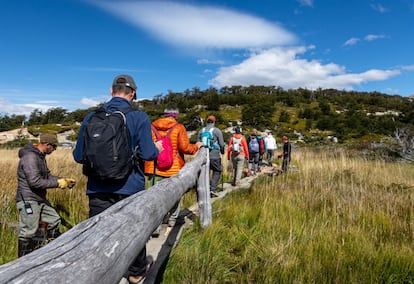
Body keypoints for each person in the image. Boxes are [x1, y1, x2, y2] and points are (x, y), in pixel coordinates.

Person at [73, 74, 163, 284]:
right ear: (132, 94)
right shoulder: (139, 117)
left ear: (111, 91)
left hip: (97, 187)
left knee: (97, 234)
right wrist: (157, 149)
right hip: (129, 186)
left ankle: (97, 275)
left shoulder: (90, 117)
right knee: (133, 230)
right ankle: (136, 272)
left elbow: (78, 156)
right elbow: (148, 154)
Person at [16, 133, 76, 257]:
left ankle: (51, 252)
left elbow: (47, 176)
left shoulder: (40, 156)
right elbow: (35, 182)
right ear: (47, 145)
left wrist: (63, 180)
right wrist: (58, 184)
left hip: (39, 199)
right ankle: (21, 261)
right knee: (29, 230)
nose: (55, 150)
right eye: (54, 147)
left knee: (54, 220)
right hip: (27, 199)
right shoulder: (30, 157)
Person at [144, 107, 202, 230]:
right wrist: (196, 146)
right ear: (176, 116)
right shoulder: (179, 127)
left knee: (154, 197)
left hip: (154, 168)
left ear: (164, 115)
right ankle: (172, 219)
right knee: (175, 194)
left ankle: (156, 225)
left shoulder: (151, 127)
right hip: (173, 168)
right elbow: (185, 148)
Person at [197, 115, 225, 197]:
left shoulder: (201, 131)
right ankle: (212, 189)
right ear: (214, 122)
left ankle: (204, 189)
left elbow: (198, 143)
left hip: (203, 155)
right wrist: (222, 151)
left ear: (207, 121)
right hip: (214, 155)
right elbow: (222, 144)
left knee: (206, 172)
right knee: (217, 171)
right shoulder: (217, 131)